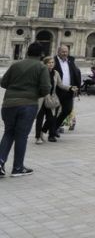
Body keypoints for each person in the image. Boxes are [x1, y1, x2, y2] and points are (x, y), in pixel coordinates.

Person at [0, 41, 51, 177]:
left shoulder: (15, 65)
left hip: (8, 104)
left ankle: (0, 163)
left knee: (8, 132)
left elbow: (3, 82)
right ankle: (18, 167)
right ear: (42, 54)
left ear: (27, 51)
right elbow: (46, 88)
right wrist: (35, 93)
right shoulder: (41, 67)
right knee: (21, 136)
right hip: (27, 105)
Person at [35, 57, 67, 144]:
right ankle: (38, 137)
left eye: (52, 62)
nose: (51, 64)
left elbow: (60, 85)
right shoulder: (40, 72)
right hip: (41, 98)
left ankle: (42, 131)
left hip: (51, 99)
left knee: (51, 118)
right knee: (40, 118)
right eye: (49, 63)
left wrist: (70, 88)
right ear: (45, 64)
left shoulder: (56, 73)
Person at [53, 44, 81, 135]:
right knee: (55, 111)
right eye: (63, 52)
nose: (65, 53)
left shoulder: (70, 61)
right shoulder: (53, 61)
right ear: (58, 52)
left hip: (69, 90)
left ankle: (55, 126)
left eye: (66, 52)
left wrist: (77, 88)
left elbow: (75, 74)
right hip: (57, 90)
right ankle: (52, 132)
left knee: (68, 110)